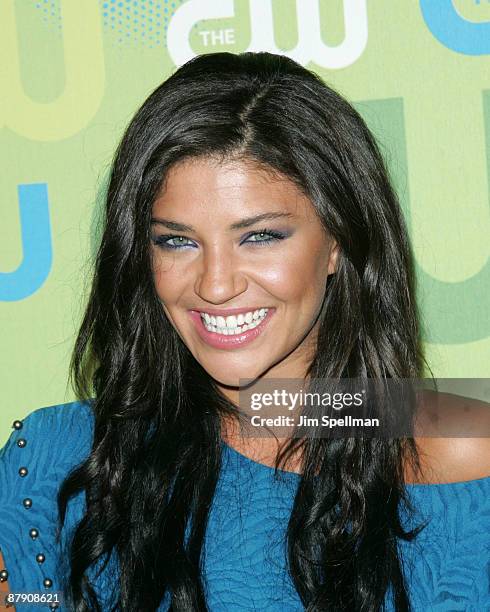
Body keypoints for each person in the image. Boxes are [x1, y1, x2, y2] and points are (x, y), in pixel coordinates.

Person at [0, 51, 489, 612]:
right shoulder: (60, 458)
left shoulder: (457, 434)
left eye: (259, 236)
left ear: (337, 241)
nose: (215, 284)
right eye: (176, 241)